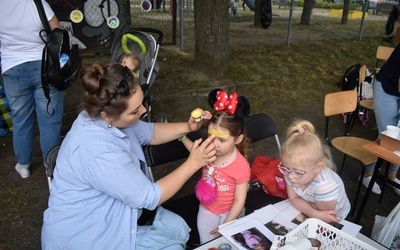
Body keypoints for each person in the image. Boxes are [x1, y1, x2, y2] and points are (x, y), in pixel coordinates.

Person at [41, 62, 217, 249]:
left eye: (141, 103)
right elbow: (150, 197)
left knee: (181, 230)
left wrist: (188, 127)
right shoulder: (99, 151)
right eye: (135, 111)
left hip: (119, 215)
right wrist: (194, 163)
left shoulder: (104, 114)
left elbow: (149, 133)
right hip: (90, 237)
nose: (144, 111)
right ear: (107, 116)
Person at [0, 0, 64, 178]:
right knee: (50, 118)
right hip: (44, 66)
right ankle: (50, 163)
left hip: (12, 67)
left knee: (20, 118)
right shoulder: (36, 3)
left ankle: (24, 165)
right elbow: (58, 30)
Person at [181, 89, 251, 244]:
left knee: (232, 243)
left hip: (232, 213)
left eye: (222, 140)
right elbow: (194, 150)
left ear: (238, 139)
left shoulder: (241, 166)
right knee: (208, 243)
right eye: (211, 136)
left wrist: (226, 224)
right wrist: (181, 137)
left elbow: (240, 200)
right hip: (207, 210)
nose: (214, 144)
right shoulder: (209, 150)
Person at [279, 120, 351, 224]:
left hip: (336, 218)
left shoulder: (325, 186)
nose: (290, 176)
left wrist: (309, 210)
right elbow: (294, 198)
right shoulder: (291, 170)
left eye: (298, 172)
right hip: (315, 209)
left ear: (317, 168)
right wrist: (313, 212)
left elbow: (326, 217)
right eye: (286, 168)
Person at [362, 42, 400, 196]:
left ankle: (391, 176)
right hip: (387, 89)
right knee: (387, 136)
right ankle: (367, 175)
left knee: (398, 137)